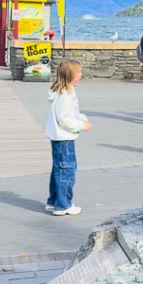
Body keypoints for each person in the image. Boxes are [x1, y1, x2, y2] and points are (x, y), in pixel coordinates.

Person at [45, 59, 92, 216]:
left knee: (58, 169)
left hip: (59, 138)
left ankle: (53, 201)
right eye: (78, 72)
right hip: (64, 139)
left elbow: (71, 113)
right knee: (67, 170)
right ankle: (63, 204)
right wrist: (81, 125)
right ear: (71, 75)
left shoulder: (63, 91)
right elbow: (64, 118)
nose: (81, 75)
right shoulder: (66, 94)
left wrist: (82, 118)